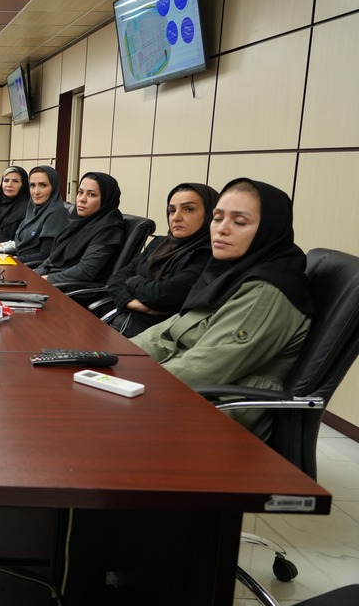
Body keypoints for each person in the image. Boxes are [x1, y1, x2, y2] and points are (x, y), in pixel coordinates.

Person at [132, 178, 314, 440]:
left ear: (268, 229)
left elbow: (204, 369)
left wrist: (131, 383)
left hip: (216, 417)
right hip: (178, 394)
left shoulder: (268, 290)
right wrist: (118, 358)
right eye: (217, 218)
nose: (222, 229)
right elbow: (167, 333)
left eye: (239, 222)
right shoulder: (227, 273)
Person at [103, 183, 219, 337]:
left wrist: (132, 281)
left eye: (188, 209)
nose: (176, 217)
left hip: (155, 337)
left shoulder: (208, 255)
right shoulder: (159, 243)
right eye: (172, 210)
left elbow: (161, 295)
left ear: (209, 214)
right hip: (119, 321)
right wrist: (132, 303)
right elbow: (116, 278)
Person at [34, 172, 125, 285]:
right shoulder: (78, 223)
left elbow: (85, 271)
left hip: (69, 289)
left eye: (91, 194)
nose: (82, 199)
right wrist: (34, 274)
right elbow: (52, 258)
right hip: (52, 282)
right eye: (80, 192)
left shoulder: (109, 230)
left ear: (106, 199)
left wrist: (44, 280)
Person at [0, 165, 69, 264]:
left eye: (43, 185)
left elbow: (45, 255)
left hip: (30, 268)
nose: (36, 192)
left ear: (54, 187)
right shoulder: (33, 209)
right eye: (32, 185)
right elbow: (20, 245)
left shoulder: (57, 213)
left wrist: (12, 259)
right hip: (18, 262)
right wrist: (3, 248)